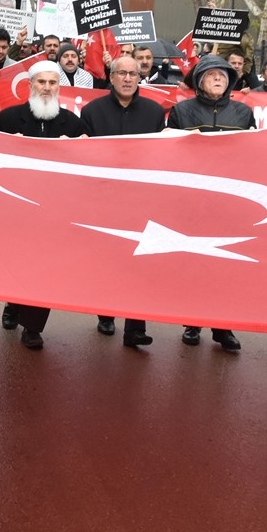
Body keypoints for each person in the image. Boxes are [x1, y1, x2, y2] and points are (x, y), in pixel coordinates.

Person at [0, 60, 87, 349]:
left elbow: (87, 169)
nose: (46, 88)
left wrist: (80, 150)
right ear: (30, 85)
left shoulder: (73, 124)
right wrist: (8, 146)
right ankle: (13, 302)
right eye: (41, 83)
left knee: (45, 268)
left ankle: (33, 327)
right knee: (17, 264)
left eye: (52, 83)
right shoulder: (7, 120)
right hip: (15, 209)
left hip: (55, 212)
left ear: (60, 87)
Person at [166, 55, 255, 352]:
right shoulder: (181, 111)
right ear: (199, 81)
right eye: (212, 74)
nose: (219, 79)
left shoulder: (244, 113)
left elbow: (255, 152)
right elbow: (170, 152)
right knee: (194, 263)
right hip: (193, 199)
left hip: (229, 201)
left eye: (224, 75)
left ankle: (222, 326)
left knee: (224, 266)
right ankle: (192, 322)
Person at [80, 55, 167, 348]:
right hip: (103, 197)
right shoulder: (91, 111)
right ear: (112, 76)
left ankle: (135, 328)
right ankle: (106, 312)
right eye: (122, 73)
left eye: (133, 73)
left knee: (139, 262)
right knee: (108, 260)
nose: (128, 78)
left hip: (142, 198)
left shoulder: (155, 112)